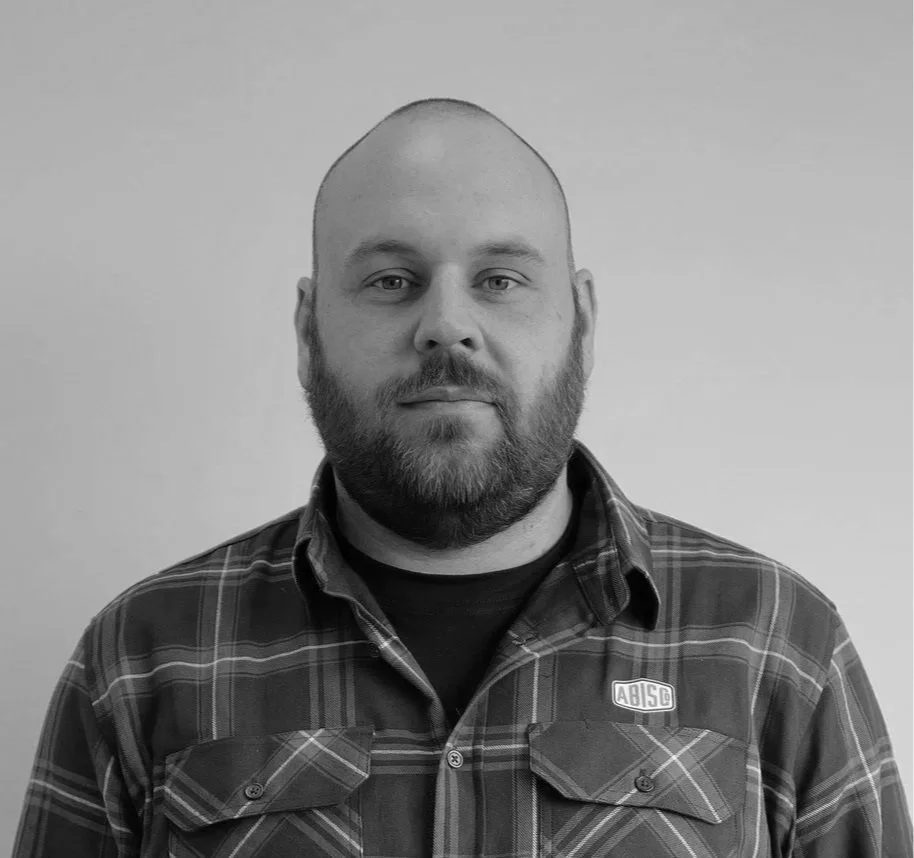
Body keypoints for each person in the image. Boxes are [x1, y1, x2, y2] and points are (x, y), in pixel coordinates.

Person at [13, 97, 912, 858]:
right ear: (306, 328)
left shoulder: (778, 648)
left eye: (501, 278)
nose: (447, 325)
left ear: (583, 321)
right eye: (393, 280)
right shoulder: (140, 660)